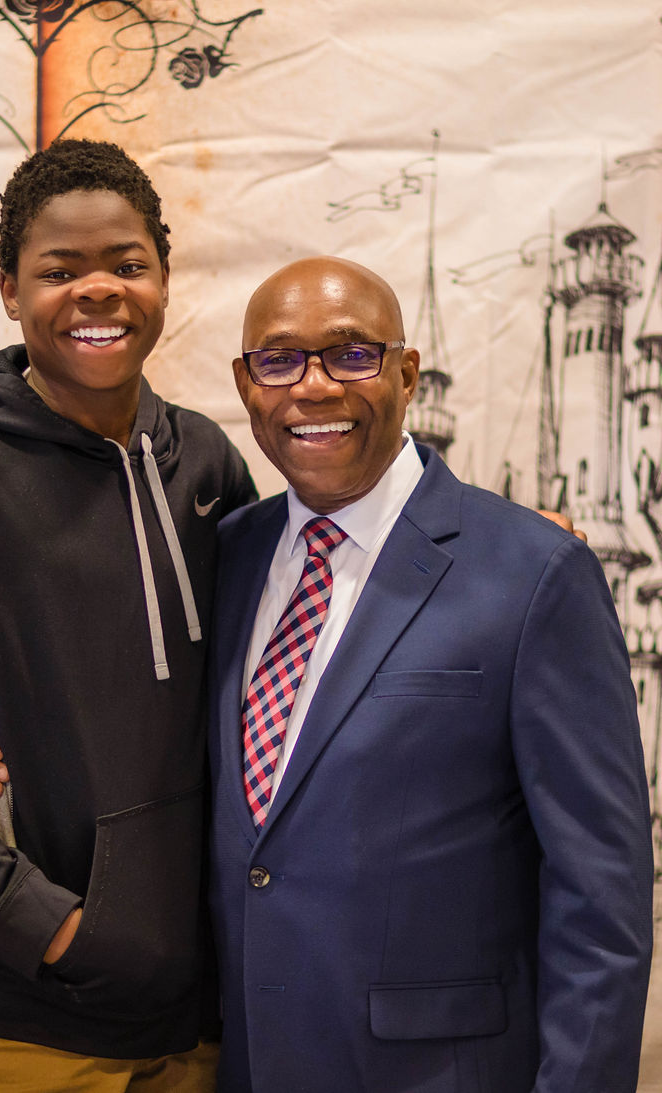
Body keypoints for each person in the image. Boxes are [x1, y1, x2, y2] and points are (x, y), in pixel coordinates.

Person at [0, 138, 256, 1093]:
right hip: (23, 1012)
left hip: (199, 1003)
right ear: (9, 290)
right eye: (60, 271)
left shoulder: (207, 465)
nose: (97, 290)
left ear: (164, 280)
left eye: (126, 264)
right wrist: (52, 928)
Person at [206, 255, 653, 1091]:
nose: (314, 386)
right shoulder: (226, 559)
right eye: (279, 359)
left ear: (407, 373)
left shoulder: (534, 571)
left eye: (351, 354)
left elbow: (602, 904)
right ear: (246, 385)